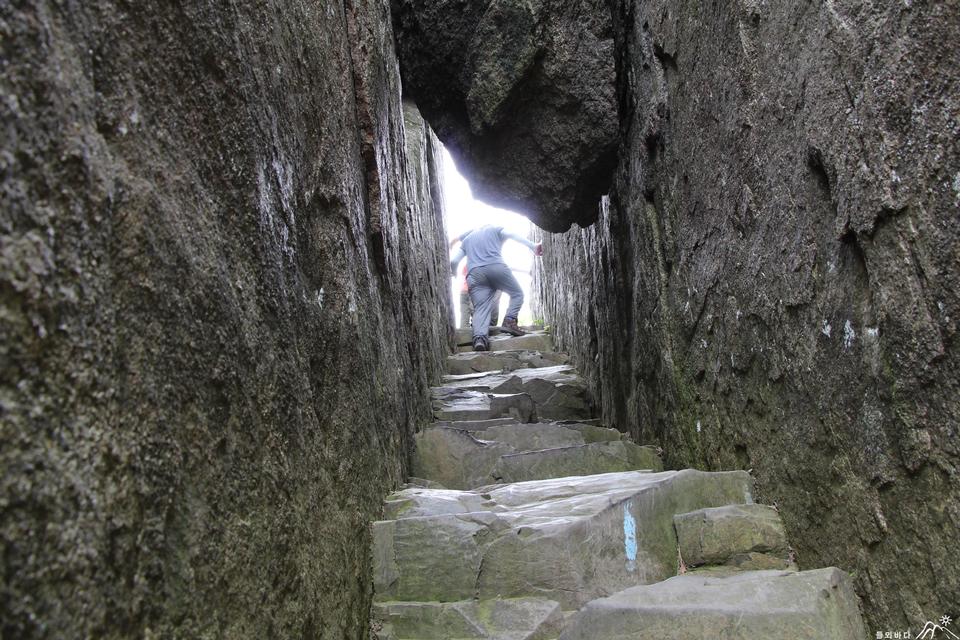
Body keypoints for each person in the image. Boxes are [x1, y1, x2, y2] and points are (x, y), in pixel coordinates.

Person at [449, 225, 544, 351]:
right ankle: (509, 320)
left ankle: (480, 339)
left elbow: (454, 261)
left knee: (481, 308)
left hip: (475, 275)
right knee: (517, 294)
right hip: (496, 267)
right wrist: (533, 246)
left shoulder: (467, 239)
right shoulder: (496, 229)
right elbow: (513, 235)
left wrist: (455, 274)